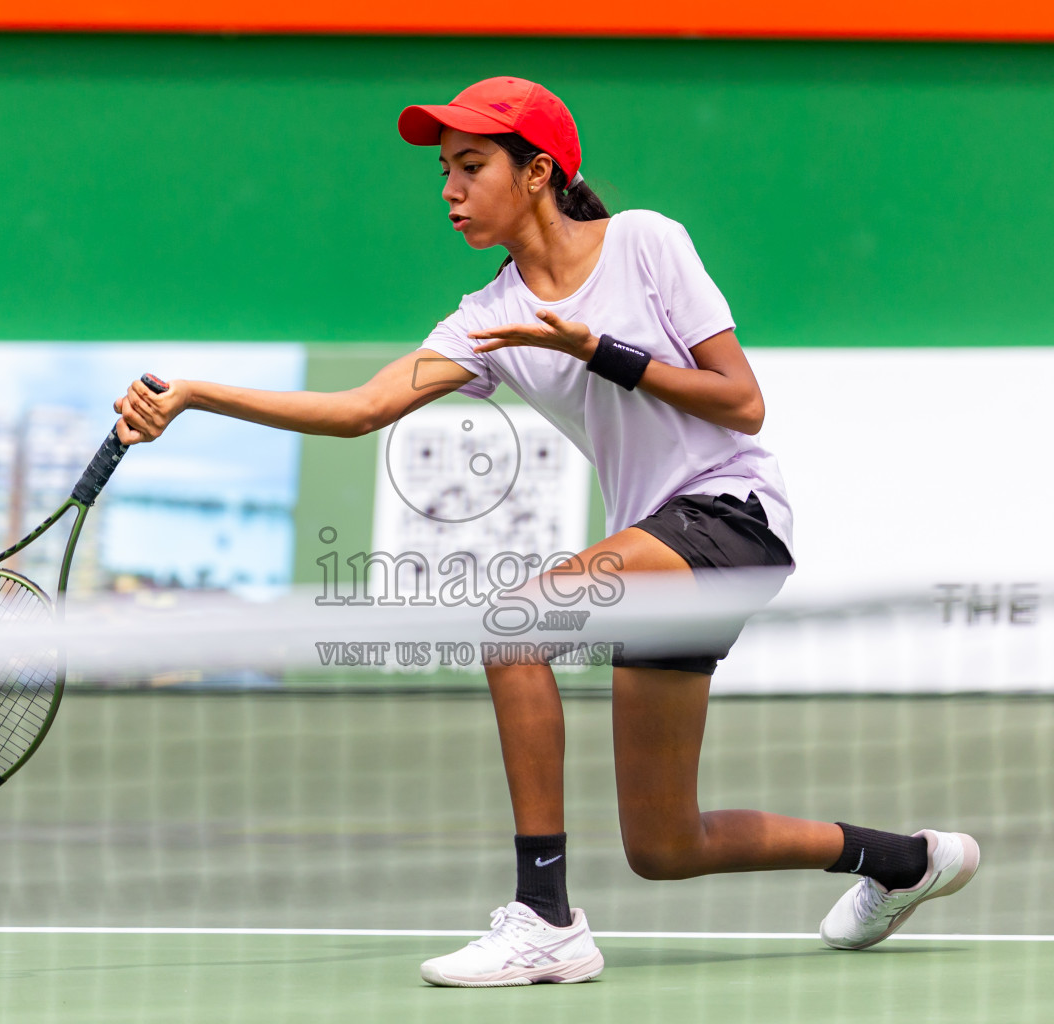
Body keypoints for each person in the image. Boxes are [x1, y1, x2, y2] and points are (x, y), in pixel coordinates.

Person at [112, 75, 979, 988]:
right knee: (666, 843)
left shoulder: (646, 243)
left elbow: (743, 402)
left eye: (471, 165)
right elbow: (362, 408)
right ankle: (905, 860)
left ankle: (546, 918)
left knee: (508, 625)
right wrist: (202, 395)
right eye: (445, 169)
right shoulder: (486, 318)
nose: (448, 188)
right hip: (661, 545)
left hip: (731, 514)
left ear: (538, 173)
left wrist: (598, 351)